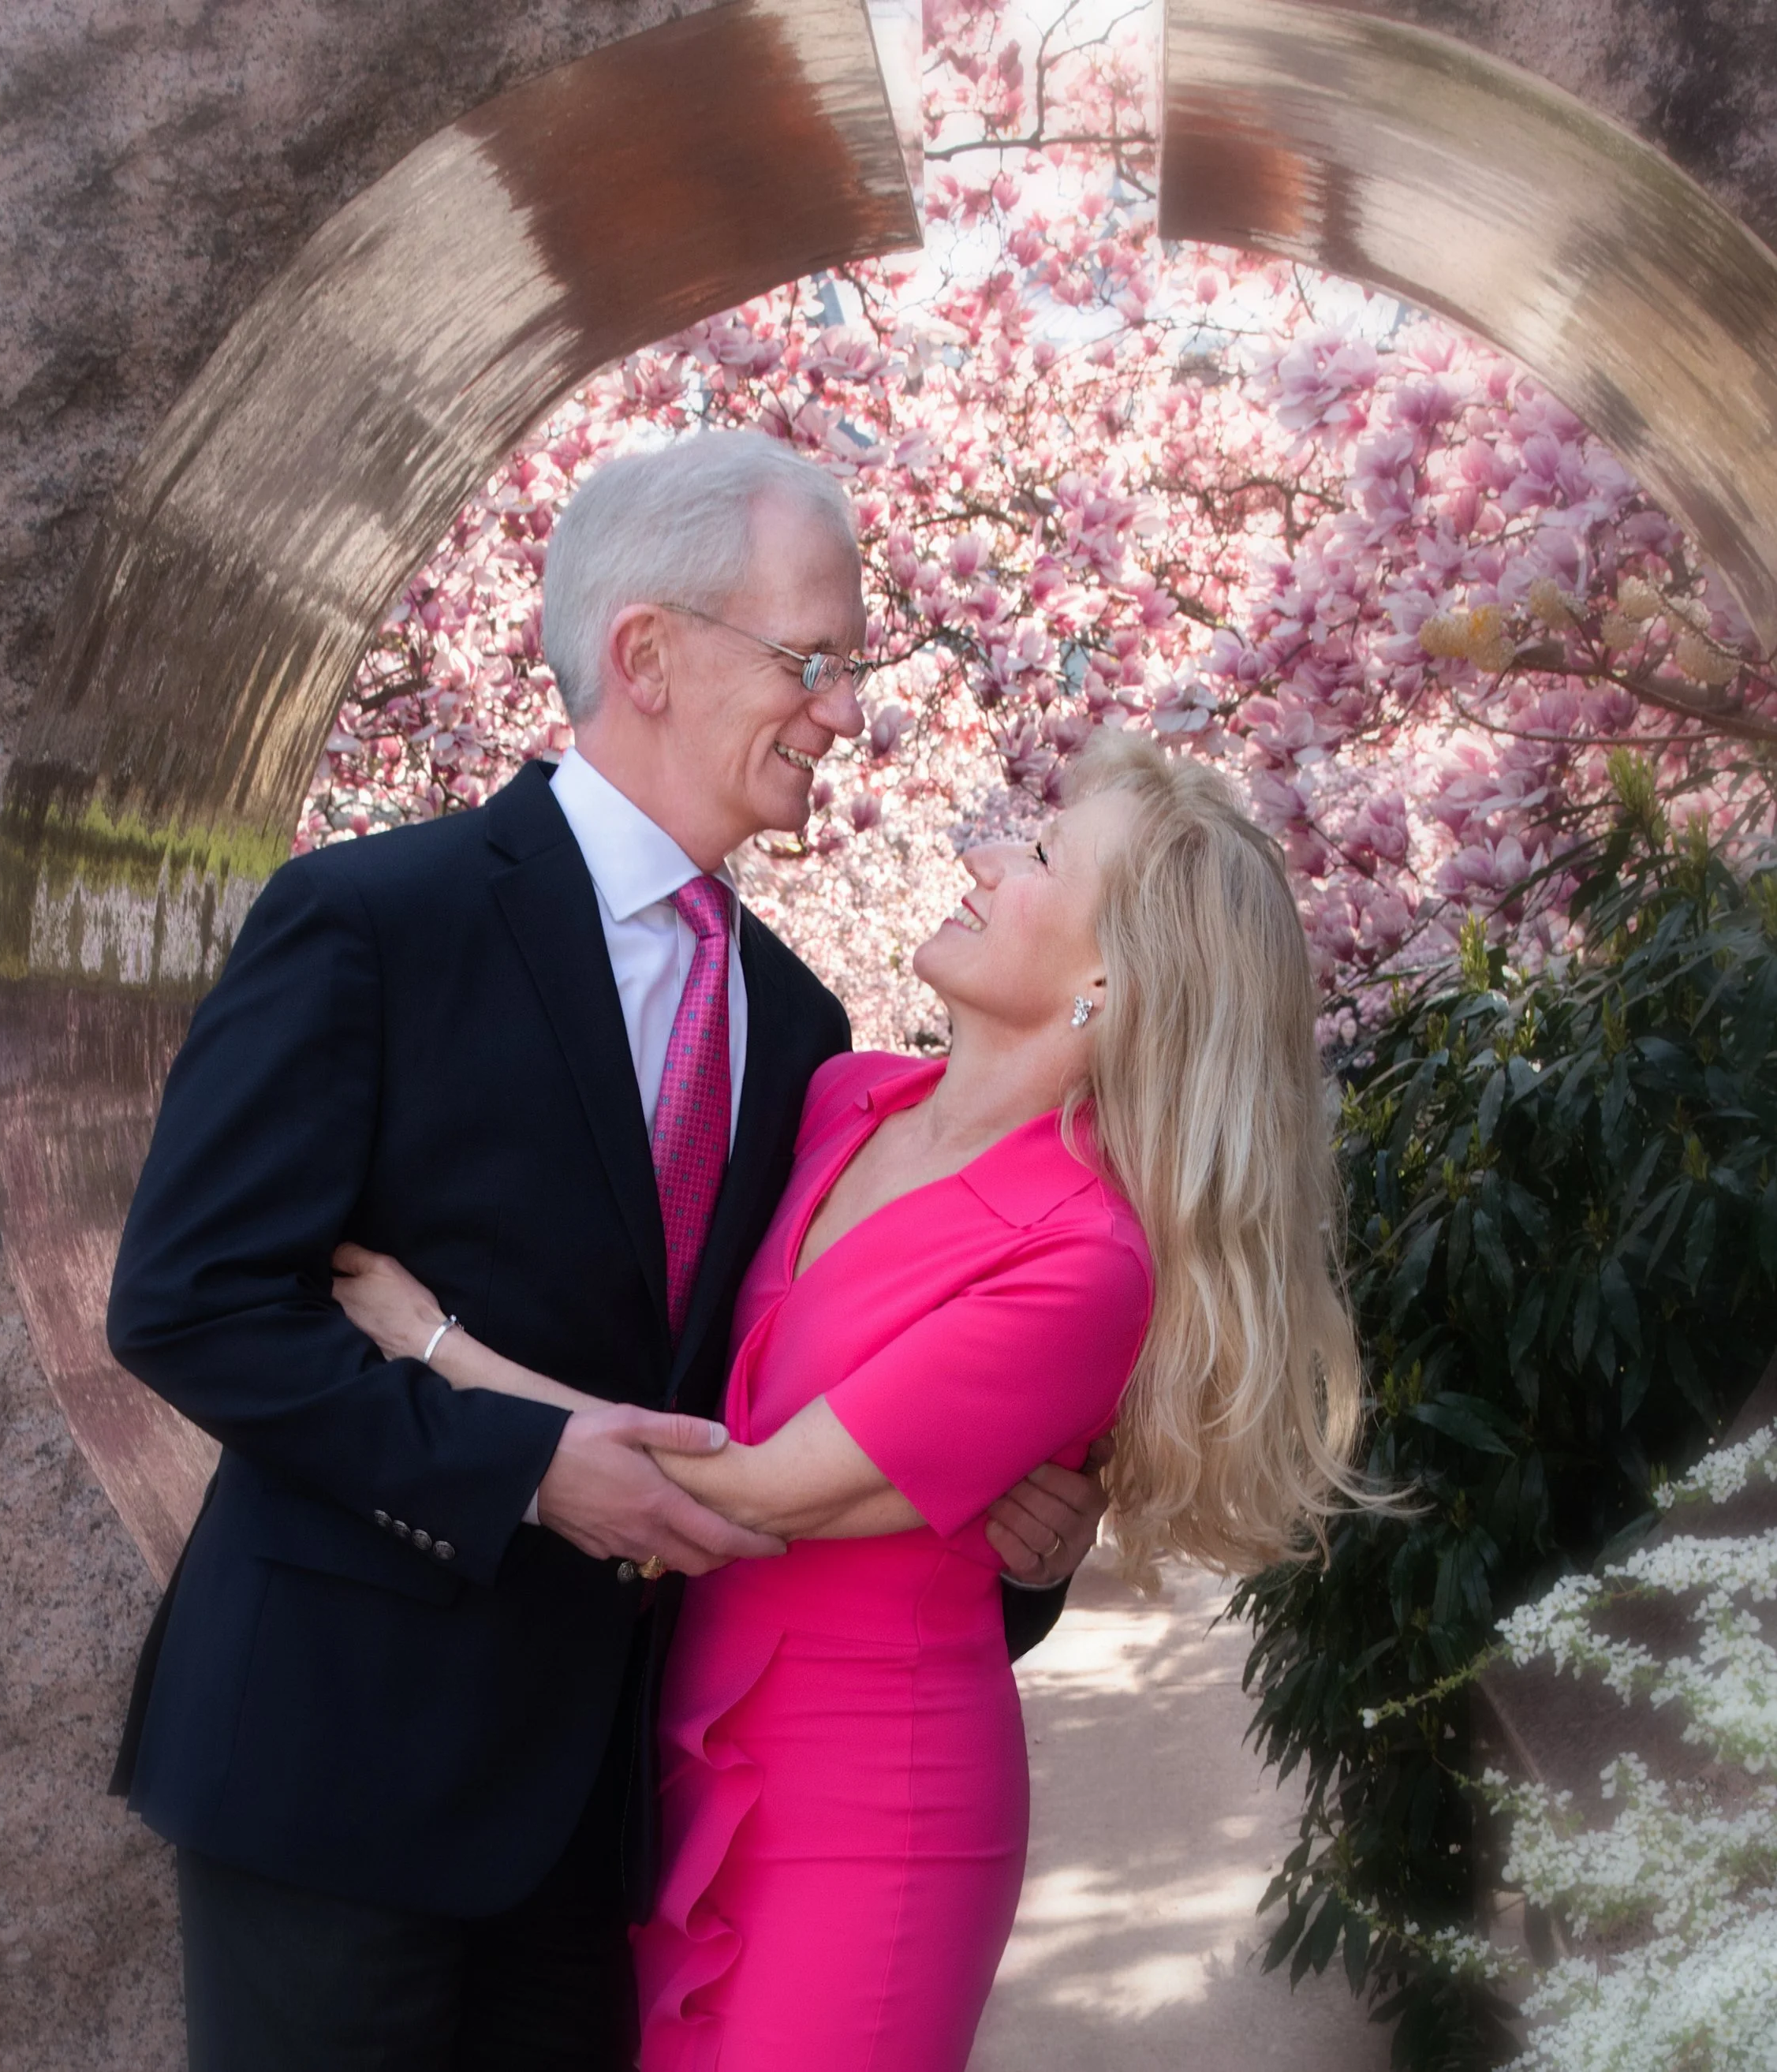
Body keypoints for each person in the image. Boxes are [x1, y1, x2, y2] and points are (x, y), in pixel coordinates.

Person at [103, 429, 1109, 2072]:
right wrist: (518, 1463)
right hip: (335, 1761)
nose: (844, 712)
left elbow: (777, 1410)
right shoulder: (372, 921)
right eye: (812, 658)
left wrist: (1008, 1532)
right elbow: (189, 1302)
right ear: (646, 651)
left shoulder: (800, 1026)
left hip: (607, 1816)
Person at [334, 726, 1370, 2070]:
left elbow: (758, 1492)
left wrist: (436, 1346)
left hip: (871, 1812)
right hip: (685, 1754)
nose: (984, 854)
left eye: (1041, 851)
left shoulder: (1083, 1254)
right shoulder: (843, 1097)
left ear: (1112, 980)